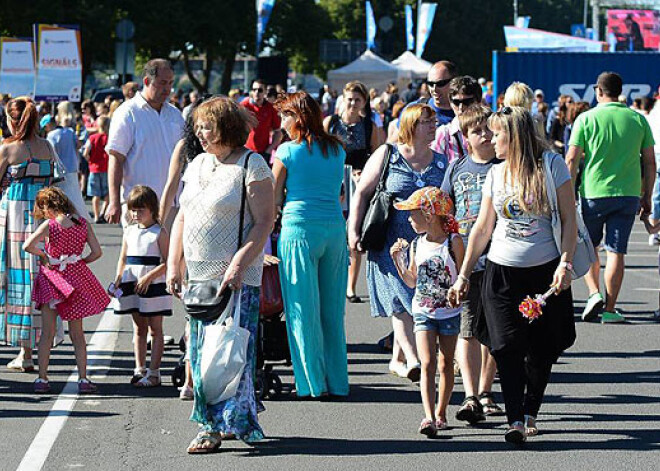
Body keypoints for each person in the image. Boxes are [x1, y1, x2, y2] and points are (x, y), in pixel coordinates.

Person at [448, 106, 577, 444]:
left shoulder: (552, 166)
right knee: (505, 345)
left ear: (514, 136)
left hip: (544, 273)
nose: (490, 139)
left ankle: (531, 409)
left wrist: (565, 263)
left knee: (542, 347)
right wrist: (463, 274)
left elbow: (568, 220)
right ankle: (515, 419)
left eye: (497, 133)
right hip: (502, 272)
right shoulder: (496, 174)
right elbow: (482, 228)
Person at [166, 96, 273, 452]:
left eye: (206, 125)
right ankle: (225, 419)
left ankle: (213, 426)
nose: (199, 132)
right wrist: (173, 262)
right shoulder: (196, 163)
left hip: (236, 277)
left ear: (226, 126)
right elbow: (182, 216)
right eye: (197, 126)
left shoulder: (251, 164)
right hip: (198, 275)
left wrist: (239, 264)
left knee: (227, 353)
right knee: (199, 352)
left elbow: (264, 222)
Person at [348, 104, 449, 381]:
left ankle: (398, 359)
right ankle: (415, 360)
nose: (434, 126)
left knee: (419, 300)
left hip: (429, 248)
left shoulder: (442, 161)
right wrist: (353, 232)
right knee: (401, 304)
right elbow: (362, 194)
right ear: (411, 125)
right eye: (427, 122)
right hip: (389, 244)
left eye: (434, 121)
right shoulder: (388, 154)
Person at [273, 91, 349, 399]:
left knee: (302, 308)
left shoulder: (286, 152)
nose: (281, 121)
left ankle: (311, 383)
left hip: (299, 229)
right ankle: (338, 381)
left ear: (298, 118)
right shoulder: (337, 150)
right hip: (333, 227)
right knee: (332, 310)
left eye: (285, 115)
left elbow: (274, 195)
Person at [565, 72, 656, 323]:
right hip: (627, 194)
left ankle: (594, 294)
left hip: (593, 192)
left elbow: (571, 159)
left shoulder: (586, 119)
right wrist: (646, 196)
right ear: (620, 91)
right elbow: (650, 161)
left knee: (588, 247)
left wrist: (567, 193)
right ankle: (610, 308)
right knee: (616, 252)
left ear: (598, 91)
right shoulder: (637, 119)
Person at [441, 104, 503, 423]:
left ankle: (486, 390)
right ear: (465, 137)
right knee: (468, 330)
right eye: (477, 131)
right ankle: (469, 396)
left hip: (499, 258)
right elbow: (444, 208)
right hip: (465, 261)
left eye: (489, 129)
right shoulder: (457, 167)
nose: (486, 135)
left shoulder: (503, 166)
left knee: (492, 330)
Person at [390, 187, 463, 437]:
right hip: (423, 310)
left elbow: (462, 276)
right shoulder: (416, 244)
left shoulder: (454, 242)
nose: (409, 219)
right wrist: (399, 262)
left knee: (445, 363)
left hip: (449, 312)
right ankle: (429, 416)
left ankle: (441, 412)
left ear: (429, 215)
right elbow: (412, 281)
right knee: (428, 363)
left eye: (413, 214)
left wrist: (458, 289)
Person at [24, 187, 108, 394]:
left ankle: (42, 378)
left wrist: (44, 256)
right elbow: (97, 252)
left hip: (52, 279)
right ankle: (83, 378)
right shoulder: (82, 224)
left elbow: (28, 245)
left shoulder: (50, 226)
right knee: (77, 334)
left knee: (47, 333)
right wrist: (79, 262)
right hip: (76, 279)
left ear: (49, 206)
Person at [0, 97, 55, 371]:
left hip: (14, 220)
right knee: (41, 279)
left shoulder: (9, 148)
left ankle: (26, 352)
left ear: (13, 120)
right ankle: (40, 345)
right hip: (44, 217)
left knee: (19, 281)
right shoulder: (46, 146)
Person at [105, 58, 185, 229]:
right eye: (163, 82)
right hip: (140, 206)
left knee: (170, 256)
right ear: (147, 81)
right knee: (140, 255)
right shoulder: (128, 113)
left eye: (170, 83)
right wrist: (114, 201)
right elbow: (115, 158)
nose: (168, 89)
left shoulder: (175, 114)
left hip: (173, 204)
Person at [325, 81, 385, 304]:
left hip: (358, 184)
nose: (352, 103)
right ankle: (332, 281)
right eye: (349, 99)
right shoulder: (330, 123)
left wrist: (365, 174)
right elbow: (320, 152)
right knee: (332, 232)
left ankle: (350, 286)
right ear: (343, 98)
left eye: (357, 100)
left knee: (354, 233)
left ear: (364, 102)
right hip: (332, 182)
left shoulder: (369, 126)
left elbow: (376, 157)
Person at [113, 186, 171, 388]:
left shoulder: (159, 232)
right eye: (133, 210)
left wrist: (149, 277)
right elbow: (122, 258)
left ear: (152, 209)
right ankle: (139, 368)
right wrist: (119, 277)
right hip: (132, 282)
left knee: (156, 328)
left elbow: (168, 261)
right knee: (139, 328)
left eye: (141, 210)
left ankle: (154, 372)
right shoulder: (129, 231)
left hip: (154, 285)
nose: (136, 214)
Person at [431, 76, 482, 163]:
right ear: (450, 103)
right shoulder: (444, 134)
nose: (461, 108)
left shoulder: (491, 129)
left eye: (467, 102)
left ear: (478, 101)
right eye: (456, 102)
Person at [241, 78, 282, 162]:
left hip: (264, 153)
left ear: (265, 92)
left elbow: (278, 131)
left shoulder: (271, 108)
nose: (256, 93)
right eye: (254, 89)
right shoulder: (244, 106)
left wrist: (270, 149)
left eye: (260, 90)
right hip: (245, 151)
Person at [83, 116, 110, 223]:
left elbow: (85, 152)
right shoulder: (109, 138)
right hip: (106, 168)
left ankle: (96, 216)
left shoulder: (92, 138)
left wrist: (90, 160)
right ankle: (103, 212)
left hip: (94, 168)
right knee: (107, 193)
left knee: (95, 194)